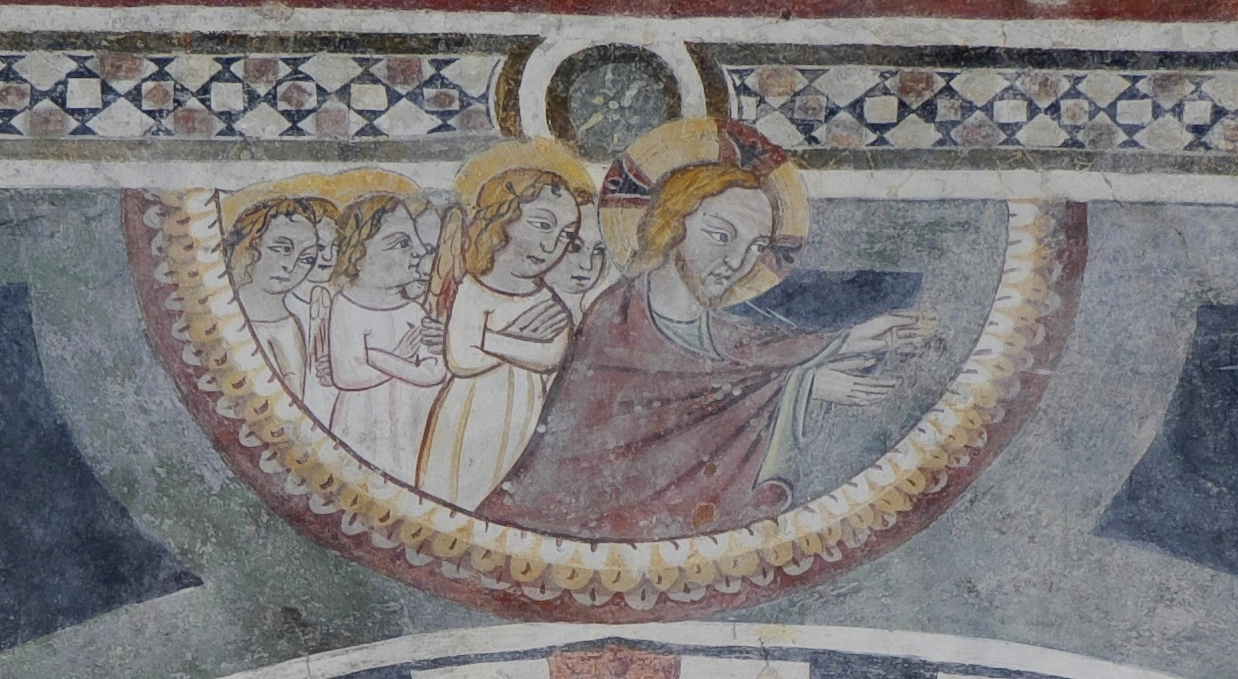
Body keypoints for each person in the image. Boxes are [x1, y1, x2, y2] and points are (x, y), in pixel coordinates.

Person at [487, 114, 934, 540]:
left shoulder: (723, 331)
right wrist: (805, 385)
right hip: (572, 525)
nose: (738, 263)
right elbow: (687, 391)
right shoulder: (616, 319)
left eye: (756, 246)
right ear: (670, 223)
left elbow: (762, 353)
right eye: (721, 236)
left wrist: (855, 337)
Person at [412, 146, 598, 509]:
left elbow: (550, 355)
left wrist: (489, 340)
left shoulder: (547, 300)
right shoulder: (473, 288)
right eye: (542, 224)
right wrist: (515, 340)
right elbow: (462, 358)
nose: (550, 246)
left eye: (564, 236)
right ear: (502, 218)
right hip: (469, 415)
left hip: (528, 415)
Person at [314, 185, 449, 484]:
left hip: (410, 419)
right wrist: (400, 359)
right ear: (358, 256)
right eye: (401, 243)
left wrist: (375, 357)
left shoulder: (414, 310)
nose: (419, 252)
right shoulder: (346, 305)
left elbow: (433, 371)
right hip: (361, 420)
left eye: (416, 242)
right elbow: (348, 376)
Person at [222, 185, 338, 426]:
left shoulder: (291, 324)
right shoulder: (227, 314)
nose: (292, 265)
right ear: (252, 244)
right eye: (283, 248)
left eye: (307, 258)